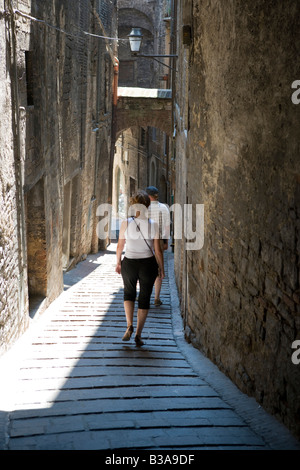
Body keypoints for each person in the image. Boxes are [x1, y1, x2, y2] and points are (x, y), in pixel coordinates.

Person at [115, 190, 165, 346]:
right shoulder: (153, 225)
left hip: (129, 262)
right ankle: (138, 334)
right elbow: (157, 250)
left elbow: (120, 245)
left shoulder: (126, 223)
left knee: (128, 294)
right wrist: (161, 269)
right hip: (147, 265)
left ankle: (129, 325)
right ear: (147, 206)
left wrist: (118, 262)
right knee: (144, 299)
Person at [145, 186, 170, 306]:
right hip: (158, 239)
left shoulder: (143, 208)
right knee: (158, 268)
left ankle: (145, 295)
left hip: (144, 240)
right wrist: (165, 242)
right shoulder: (164, 208)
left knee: (144, 267)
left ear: (148, 196)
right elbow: (166, 227)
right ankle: (156, 298)